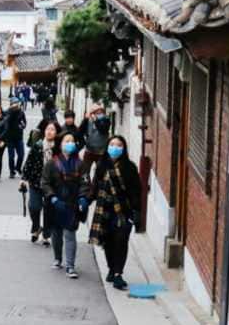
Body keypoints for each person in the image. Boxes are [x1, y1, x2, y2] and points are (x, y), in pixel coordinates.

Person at [89, 135, 142, 291]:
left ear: (124, 148)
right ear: (107, 147)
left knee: (121, 241)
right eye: (112, 144)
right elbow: (95, 186)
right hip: (105, 210)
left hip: (123, 211)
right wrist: (86, 201)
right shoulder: (101, 165)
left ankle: (118, 273)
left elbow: (136, 191)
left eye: (119, 145)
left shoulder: (130, 167)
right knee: (108, 242)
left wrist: (137, 211)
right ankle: (111, 268)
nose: (115, 147)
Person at [41, 132, 91, 279]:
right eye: (66, 141)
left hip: (71, 204)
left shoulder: (80, 164)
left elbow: (85, 183)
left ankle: (70, 265)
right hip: (55, 204)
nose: (70, 144)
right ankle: (57, 258)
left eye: (72, 141)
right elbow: (44, 182)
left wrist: (83, 198)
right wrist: (52, 197)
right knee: (56, 234)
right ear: (60, 144)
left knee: (70, 234)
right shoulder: (52, 163)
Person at [21, 121, 58, 244]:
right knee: (33, 207)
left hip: (52, 185)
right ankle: (36, 227)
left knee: (49, 210)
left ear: (57, 132)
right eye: (47, 129)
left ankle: (46, 235)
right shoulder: (38, 145)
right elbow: (28, 163)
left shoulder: (58, 148)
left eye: (52, 129)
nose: (49, 131)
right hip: (36, 181)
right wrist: (23, 179)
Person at [79, 104, 112, 175]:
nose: (99, 114)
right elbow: (80, 131)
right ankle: (86, 185)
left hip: (101, 152)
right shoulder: (88, 121)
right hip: (89, 151)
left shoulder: (106, 120)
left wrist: (96, 120)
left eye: (100, 113)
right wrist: (85, 119)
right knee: (84, 172)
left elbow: (103, 130)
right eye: (96, 112)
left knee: (100, 173)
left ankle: (96, 185)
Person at [3, 101, 27, 179]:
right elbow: (6, 121)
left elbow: (24, 122)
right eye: (14, 105)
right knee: (11, 156)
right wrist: (12, 111)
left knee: (21, 155)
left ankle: (18, 167)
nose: (16, 106)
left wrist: (22, 126)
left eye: (17, 104)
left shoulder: (21, 113)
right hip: (10, 138)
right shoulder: (8, 112)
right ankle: (11, 171)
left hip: (19, 137)